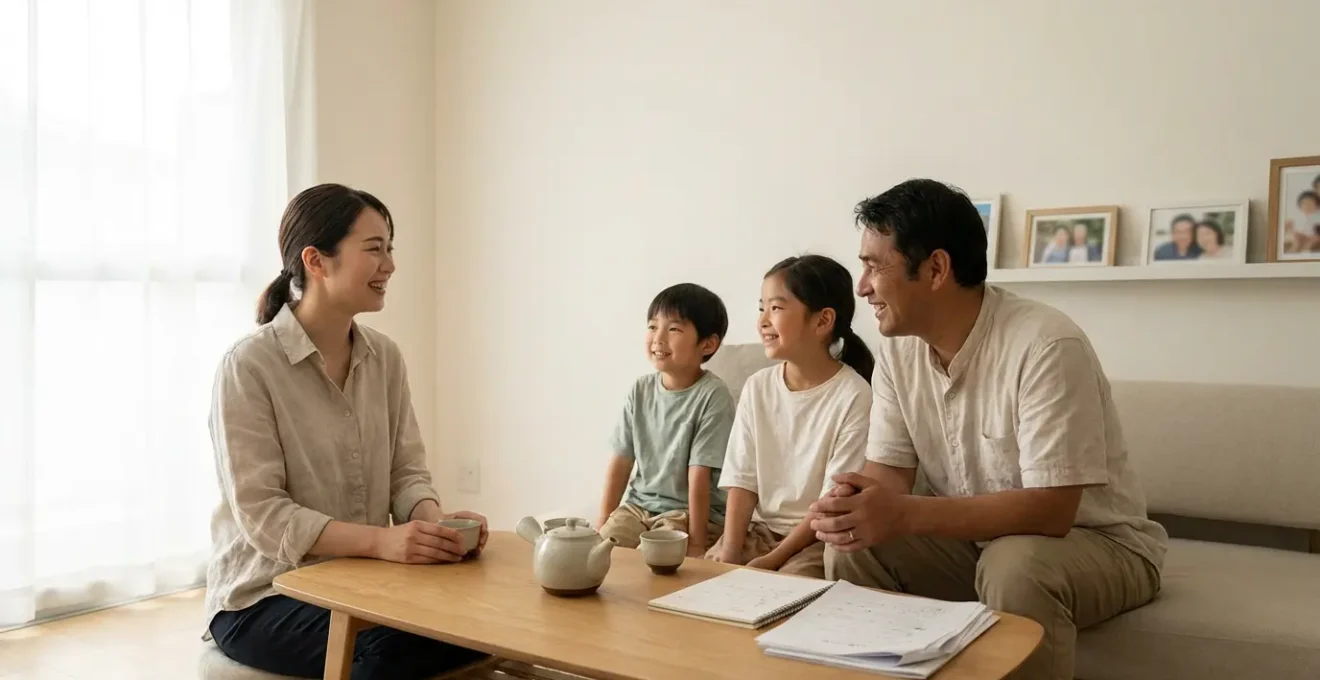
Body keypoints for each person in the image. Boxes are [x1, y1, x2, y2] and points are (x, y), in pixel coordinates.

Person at [813, 179, 1167, 680]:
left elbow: (1052, 511)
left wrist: (905, 512)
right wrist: (854, 504)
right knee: (854, 543)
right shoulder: (898, 349)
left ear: (936, 269)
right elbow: (888, 476)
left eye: (874, 265)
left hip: (1101, 545)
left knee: (1016, 566)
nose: (861, 286)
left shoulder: (1045, 343)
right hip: (978, 545)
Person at [205, 183, 489, 679]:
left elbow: (407, 473)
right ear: (316, 261)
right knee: (390, 653)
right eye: (374, 249)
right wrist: (384, 543)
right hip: (265, 596)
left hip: (364, 581)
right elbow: (264, 516)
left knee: (486, 625)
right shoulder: (248, 367)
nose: (390, 265)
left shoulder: (386, 358)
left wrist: (432, 526)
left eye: (390, 249)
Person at [707, 255, 874, 578]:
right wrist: (730, 547)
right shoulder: (758, 387)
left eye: (777, 308)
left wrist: (773, 560)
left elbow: (831, 501)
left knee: (784, 591)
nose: (763, 321)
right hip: (758, 531)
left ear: (822, 321)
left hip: (813, 540)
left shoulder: (854, 395)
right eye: (761, 308)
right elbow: (742, 479)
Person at [597, 283, 735, 554]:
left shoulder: (713, 395)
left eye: (673, 329)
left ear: (707, 344)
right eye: (652, 327)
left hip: (685, 514)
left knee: (656, 560)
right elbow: (621, 461)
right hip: (638, 507)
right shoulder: (640, 390)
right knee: (604, 550)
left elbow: (700, 476)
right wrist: (602, 522)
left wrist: (696, 543)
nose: (658, 338)